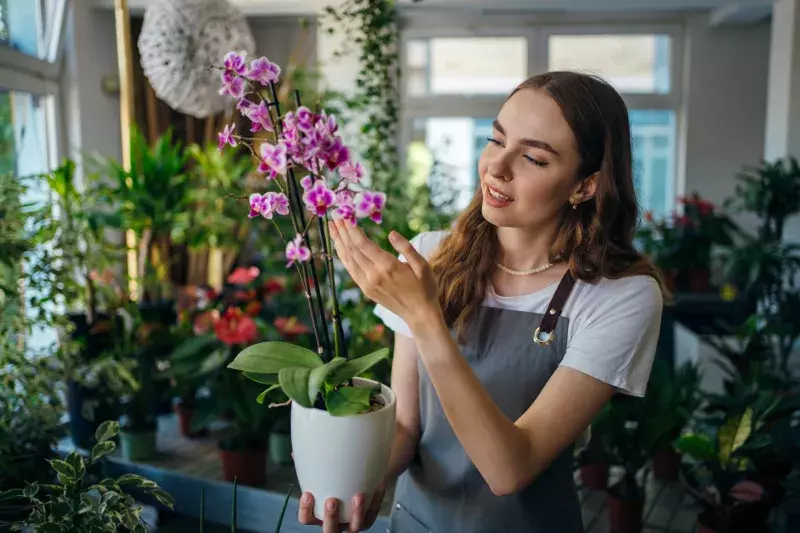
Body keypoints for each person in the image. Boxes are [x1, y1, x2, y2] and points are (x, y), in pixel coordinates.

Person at [299, 71, 667, 533]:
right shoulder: (430, 254)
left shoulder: (620, 295)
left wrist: (425, 317)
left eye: (533, 157)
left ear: (584, 185)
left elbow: (511, 469)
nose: (497, 166)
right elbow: (408, 429)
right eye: (496, 139)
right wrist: (356, 481)